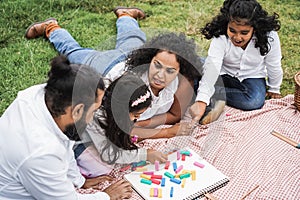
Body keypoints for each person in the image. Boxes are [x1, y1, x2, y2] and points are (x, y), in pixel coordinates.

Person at [24, 6, 203, 139]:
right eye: (157, 65)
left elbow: (174, 115)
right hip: (107, 66)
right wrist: (167, 132)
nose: (160, 75)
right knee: (74, 53)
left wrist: (142, 123)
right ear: (149, 60)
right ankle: (51, 28)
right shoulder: (125, 85)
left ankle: (125, 14)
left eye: (170, 71)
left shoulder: (182, 83)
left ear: (180, 72)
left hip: (131, 57)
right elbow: (119, 129)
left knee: (133, 38)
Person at [0, 55, 132, 200]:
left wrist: (79, 181)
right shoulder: (41, 152)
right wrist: (107, 196)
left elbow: (66, 144)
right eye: (93, 111)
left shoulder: (44, 97)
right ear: (77, 111)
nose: (92, 118)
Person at [189, 0, 283, 124]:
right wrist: (201, 100)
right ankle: (208, 96)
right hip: (221, 72)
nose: (237, 38)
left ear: (254, 29)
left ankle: (213, 95)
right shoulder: (221, 36)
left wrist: (274, 89)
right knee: (189, 68)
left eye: (244, 33)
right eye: (232, 31)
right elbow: (213, 68)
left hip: (251, 76)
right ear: (227, 24)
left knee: (253, 101)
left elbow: (274, 65)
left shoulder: (270, 37)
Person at [75, 72, 168, 178]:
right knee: (102, 168)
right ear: (121, 112)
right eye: (136, 115)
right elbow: (109, 155)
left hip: (95, 133)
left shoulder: (115, 97)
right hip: (76, 145)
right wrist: (145, 155)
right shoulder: (94, 117)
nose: (137, 119)